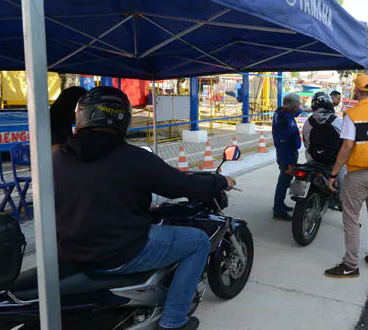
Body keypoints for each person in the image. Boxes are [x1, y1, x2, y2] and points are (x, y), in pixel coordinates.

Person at [52, 87, 236, 330]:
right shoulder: (134, 158)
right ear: (124, 119)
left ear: (83, 116)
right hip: (120, 251)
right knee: (199, 242)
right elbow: (181, 185)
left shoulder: (59, 156)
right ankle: (173, 321)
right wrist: (220, 181)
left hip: (70, 250)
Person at [324, 75, 368, 278]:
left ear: (355, 91)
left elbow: (347, 146)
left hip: (358, 175)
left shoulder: (353, 115)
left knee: (351, 219)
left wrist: (334, 173)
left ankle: (350, 265)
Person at [302, 92, 346, 210]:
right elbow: (346, 145)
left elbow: (306, 143)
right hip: (333, 163)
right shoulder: (339, 121)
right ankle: (342, 203)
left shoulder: (307, 122)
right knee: (345, 180)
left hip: (312, 160)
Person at [272, 93, 302, 221]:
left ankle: (280, 205)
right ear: (293, 107)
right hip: (287, 155)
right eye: (297, 107)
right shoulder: (285, 121)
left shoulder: (281, 112)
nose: (299, 110)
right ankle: (278, 211)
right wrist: (289, 162)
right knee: (283, 182)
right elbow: (284, 144)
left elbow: (296, 112)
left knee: (283, 181)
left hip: (285, 153)